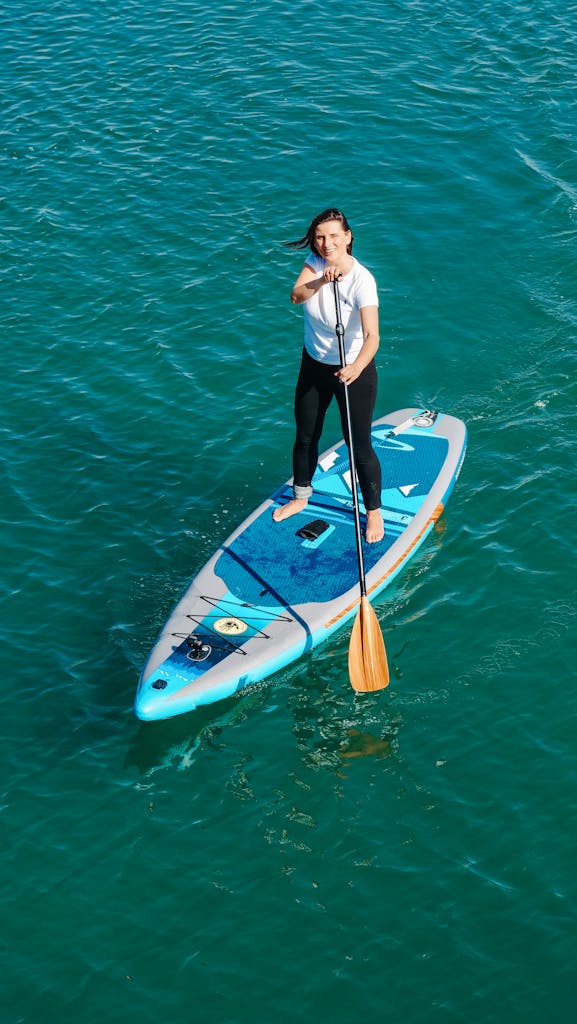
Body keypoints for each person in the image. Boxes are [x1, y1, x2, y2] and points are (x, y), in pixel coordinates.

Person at [272, 208, 384, 543]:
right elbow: (295, 296)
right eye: (320, 237)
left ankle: (374, 513)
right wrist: (322, 280)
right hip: (313, 364)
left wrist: (356, 366)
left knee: (358, 445)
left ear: (348, 237)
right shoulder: (314, 263)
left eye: (334, 236)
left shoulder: (363, 281)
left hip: (352, 371)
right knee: (306, 435)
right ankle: (300, 496)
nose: (326, 243)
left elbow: (373, 336)